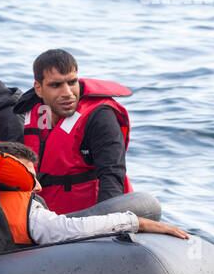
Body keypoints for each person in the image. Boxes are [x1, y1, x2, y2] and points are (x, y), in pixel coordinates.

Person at [0, 142, 187, 244]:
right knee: (143, 205)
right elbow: (71, 229)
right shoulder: (29, 217)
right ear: (8, 178)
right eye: (28, 178)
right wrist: (139, 223)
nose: (38, 187)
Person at [14, 49, 133, 214]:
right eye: (56, 85)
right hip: (46, 221)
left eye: (72, 82)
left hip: (89, 220)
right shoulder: (30, 111)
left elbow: (112, 177)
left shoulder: (101, 117)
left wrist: (106, 227)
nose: (67, 93)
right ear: (39, 89)